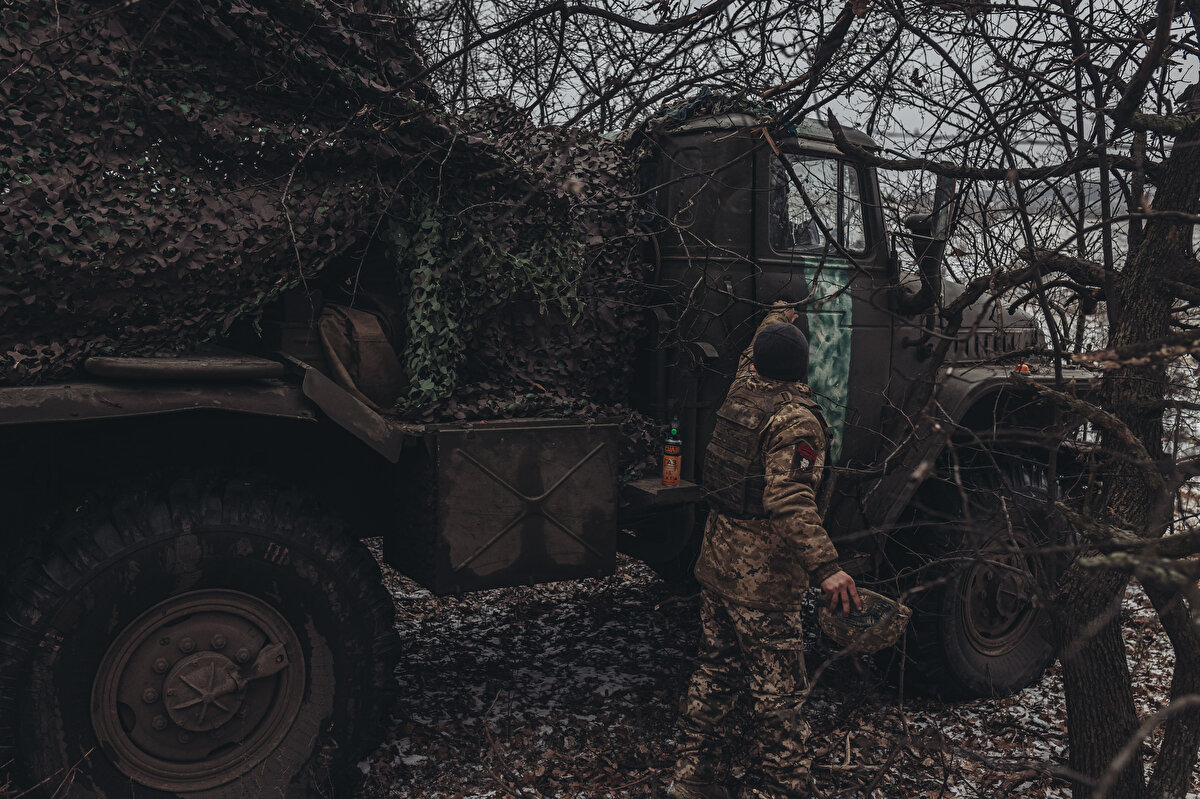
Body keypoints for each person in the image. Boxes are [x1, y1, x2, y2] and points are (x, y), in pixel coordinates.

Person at [669, 302, 861, 799]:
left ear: (755, 363)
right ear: (804, 366)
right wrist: (827, 569)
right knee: (780, 695)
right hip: (763, 580)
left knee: (714, 670)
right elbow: (790, 498)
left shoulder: (741, 391)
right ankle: (790, 788)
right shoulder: (796, 421)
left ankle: (691, 780)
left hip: (717, 563)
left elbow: (753, 356)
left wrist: (776, 318)